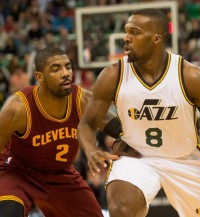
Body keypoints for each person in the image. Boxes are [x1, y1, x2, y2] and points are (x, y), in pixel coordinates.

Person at [77, 9, 200, 217]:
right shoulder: (112, 75)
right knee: (122, 208)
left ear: (156, 39)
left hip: (185, 159)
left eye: (135, 32)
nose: (126, 37)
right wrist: (90, 150)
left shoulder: (191, 76)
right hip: (138, 158)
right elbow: (87, 123)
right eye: (126, 31)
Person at [0, 46, 136, 217]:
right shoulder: (18, 108)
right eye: (56, 69)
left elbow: (119, 128)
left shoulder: (81, 100)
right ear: (39, 77)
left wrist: (131, 141)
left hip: (60, 174)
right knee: (9, 212)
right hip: (18, 173)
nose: (65, 73)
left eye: (68, 67)